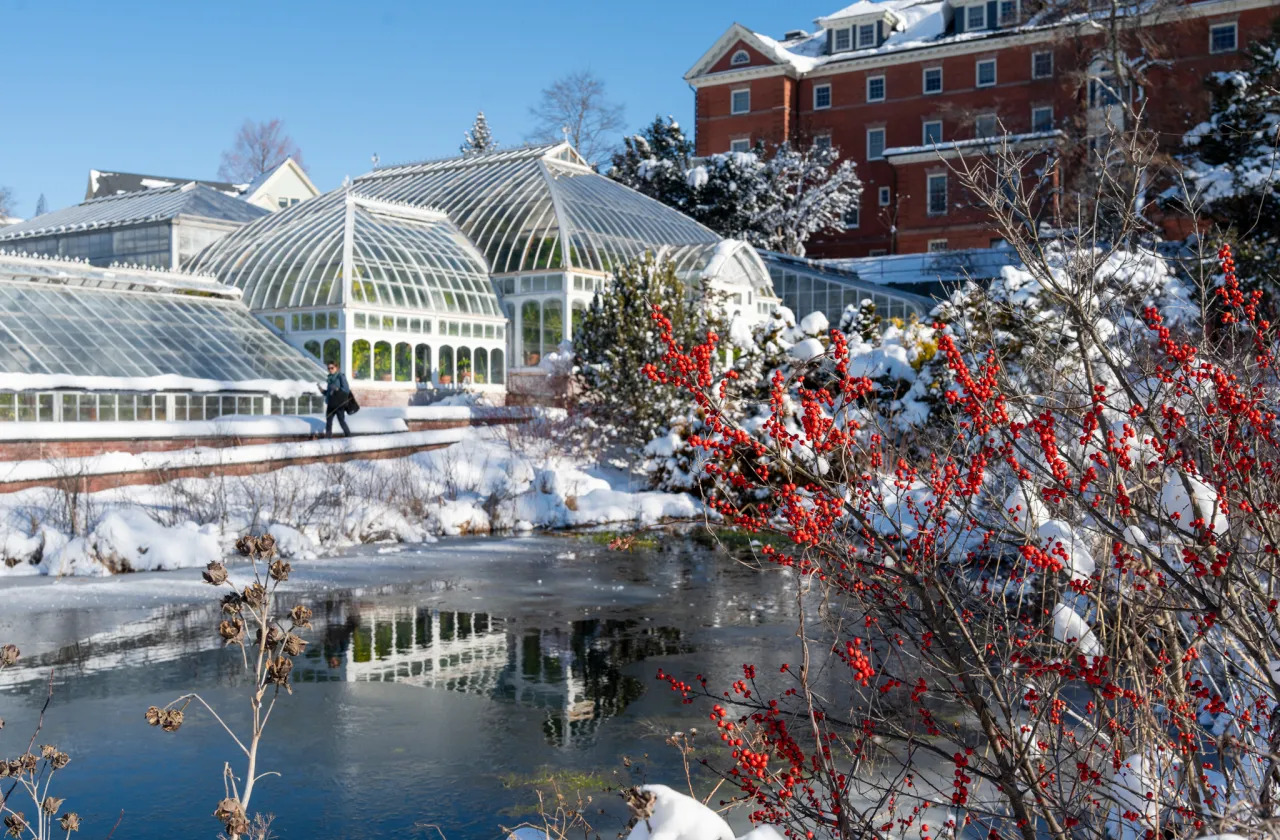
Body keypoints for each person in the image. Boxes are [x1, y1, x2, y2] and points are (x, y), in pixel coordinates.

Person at [324, 361, 352, 438]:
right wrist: (324, 392)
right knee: (328, 421)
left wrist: (337, 389)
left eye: (332, 368)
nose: (330, 370)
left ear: (336, 367)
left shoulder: (340, 376)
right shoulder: (329, 378)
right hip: (331, 403)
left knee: (341, 421)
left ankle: (349, 437)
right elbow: (330, 392)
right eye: (328, 368)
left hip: (339, 403)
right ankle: (328, 439)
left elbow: (346, 389)